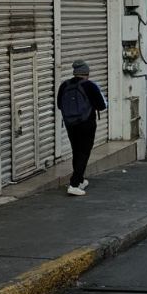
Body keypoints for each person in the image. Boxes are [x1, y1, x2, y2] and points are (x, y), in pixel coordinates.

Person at [56, 60, 107, 196]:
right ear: (87, 73)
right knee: (84, 152)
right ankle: (73, 184)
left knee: (76, 151)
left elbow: (59, 105)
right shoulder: (90, 86)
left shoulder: (64, 85)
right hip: (86, 123)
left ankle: (80, 180)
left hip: (70, 124)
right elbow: (101, 106)